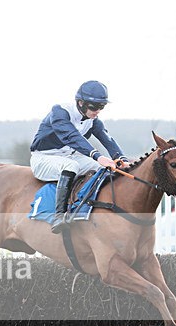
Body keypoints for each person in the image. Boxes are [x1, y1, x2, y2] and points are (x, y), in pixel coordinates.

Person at [30, 80, 130, 233]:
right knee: (72, 166)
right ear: (80, 102)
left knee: (101, 168)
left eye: (101, 107)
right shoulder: (60, 112)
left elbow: (108, 141)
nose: (97, 111)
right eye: (94, 107)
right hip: (44, 157)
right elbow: (72, 137)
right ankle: (59, 216)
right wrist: (97, 156)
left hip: (70, 156)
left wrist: (122, 160)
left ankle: (90, 209)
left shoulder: (93, 121)